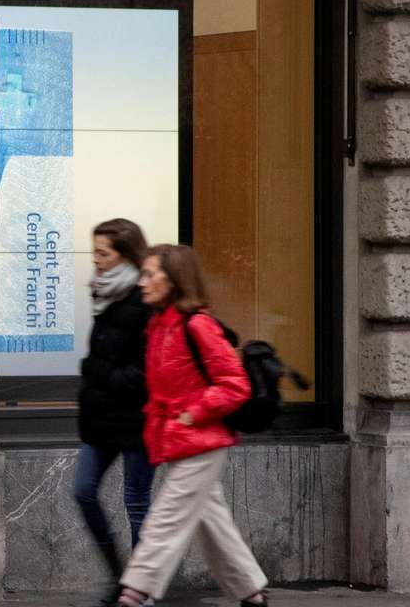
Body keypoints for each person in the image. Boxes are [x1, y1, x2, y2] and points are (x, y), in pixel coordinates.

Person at [117, 244, 268, 607]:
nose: (143, 282)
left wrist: (192, 413)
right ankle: (252, 591)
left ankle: (135, 592)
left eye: (152, 274)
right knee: (211, 520)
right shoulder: (159, 326)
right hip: (178, 439)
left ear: (175, 280)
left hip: (202, 439)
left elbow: (235, 386)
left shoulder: (197, 324)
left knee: (166, 518)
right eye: (144, 273)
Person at [74, 218, 155, 606]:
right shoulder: (103, 293)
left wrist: (96, 373)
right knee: (83, 490)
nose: (96, 259)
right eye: (95, 251)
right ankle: (120, 576)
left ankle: (141, 589)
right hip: (103, 419)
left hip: (139, 419)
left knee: (137, 501)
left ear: (125, 254)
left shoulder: (145, 298)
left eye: (103, 253)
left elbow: (143, 372)